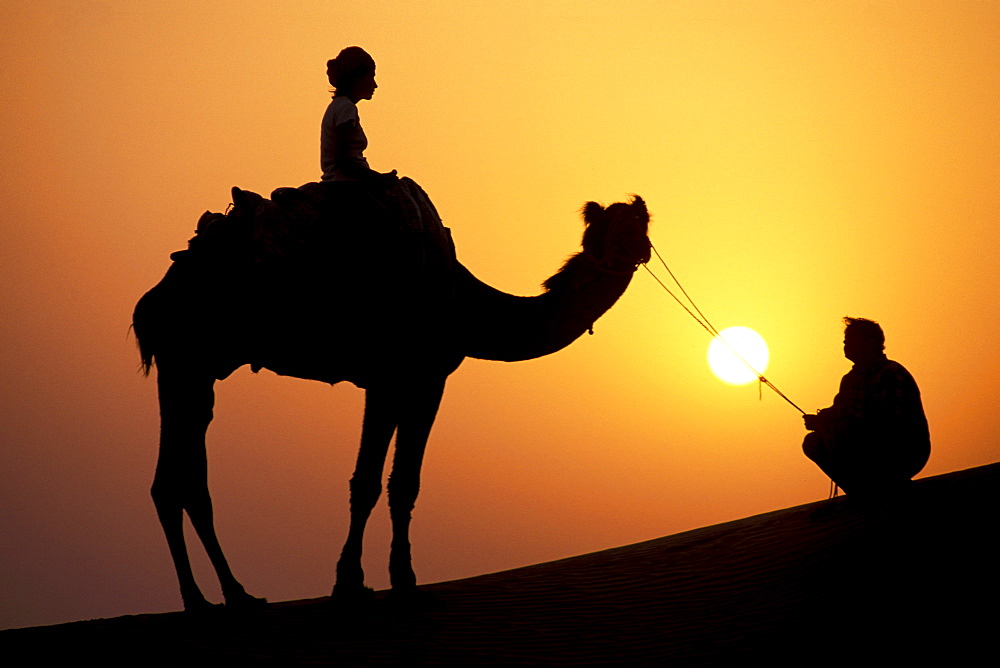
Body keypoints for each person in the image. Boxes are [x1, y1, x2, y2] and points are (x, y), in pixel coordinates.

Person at [802, 317, 930, 496]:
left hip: (902, 452)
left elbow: (889, 422)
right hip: (867, 450)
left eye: (851, 341)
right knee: (813, 442)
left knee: (846, 429)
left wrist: (835, 422)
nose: (846, 346)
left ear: (870, 343)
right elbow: (841, 411)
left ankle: (880, 486)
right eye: (845, 342)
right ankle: (859, 490)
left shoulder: (891, 374)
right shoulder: (850, 379)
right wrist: (821, 421)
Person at [321, 46, 396, 183]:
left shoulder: (337, 106)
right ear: (357, 78)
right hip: (347, 184)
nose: (375, 85)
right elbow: (343, 159)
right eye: (371, 76)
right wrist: (378, 178)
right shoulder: (346, 108)